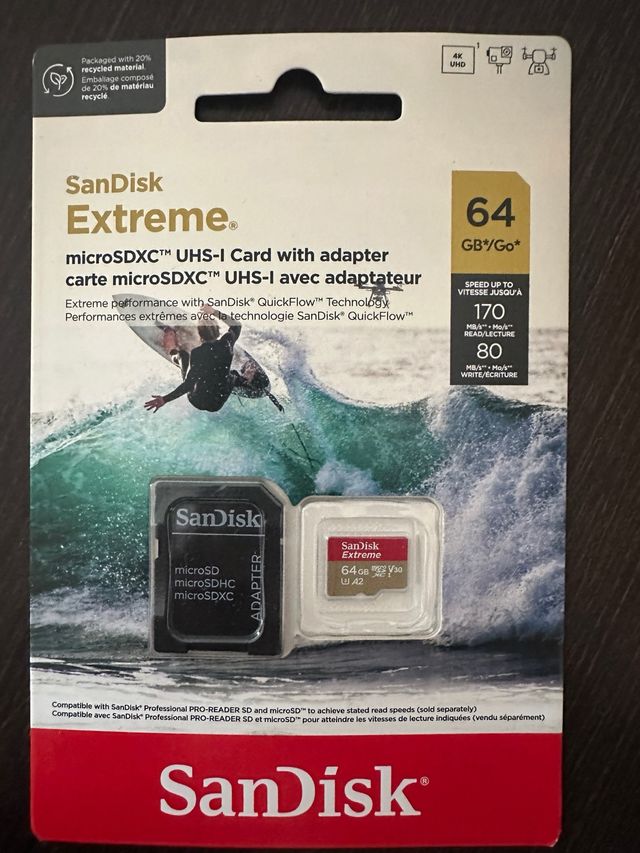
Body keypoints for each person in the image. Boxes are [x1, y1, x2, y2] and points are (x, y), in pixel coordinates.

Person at [144, 309, 249, 414]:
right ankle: (246, 378)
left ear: (200, 335)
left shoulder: (197, 353)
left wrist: (165, 399)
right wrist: (213, 312)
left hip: (197, 400)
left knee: (183, 356)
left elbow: (189, 383)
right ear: (218, 331)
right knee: (232, 375)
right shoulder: (226, 343)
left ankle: (171, 343)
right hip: (217, 403)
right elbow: (236, 325)